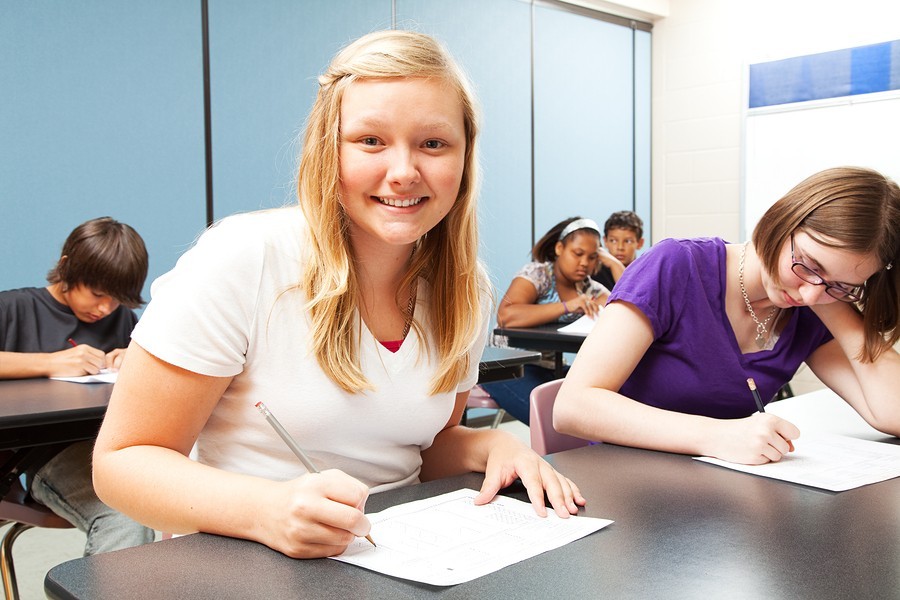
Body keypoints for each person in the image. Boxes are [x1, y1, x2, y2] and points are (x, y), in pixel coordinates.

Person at [92, 30, 585, 560]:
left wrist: (488, 444)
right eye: (371, 141)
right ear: (329, 148)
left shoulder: (464, 289)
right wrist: (266, 511)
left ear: (465, 159)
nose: (403, 172)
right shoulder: (243, 258)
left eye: (433, 143)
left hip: (397, 558)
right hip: (238, 562)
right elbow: (122, 462)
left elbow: (422, 449)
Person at [555, 166, 900, 465]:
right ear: (780, 220)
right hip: (626, 489)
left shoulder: (813, 306)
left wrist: (835, 302)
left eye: (841, 285)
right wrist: (717, 436)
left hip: (723, 497)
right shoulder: (676, 266)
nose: (808, 293)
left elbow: (892, 413)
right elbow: (573, 407)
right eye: (808, 264)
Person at [0, 216, 154, 555]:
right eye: (97, 293)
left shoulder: (122, 319)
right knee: (124, 514)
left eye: (116, 299)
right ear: (67, 267)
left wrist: (138, 360)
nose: (105, 308)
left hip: (112, 448)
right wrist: (49, 363)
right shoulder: (14, 308)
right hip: (41, 456)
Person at [481, 217, 610, 425]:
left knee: (600, 402)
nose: (585, 263)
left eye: (592, 257)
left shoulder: (590, 289)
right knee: (554, 422)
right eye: (578, 254)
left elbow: (620, 314)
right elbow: (507, 316)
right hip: (505, 365)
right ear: (559, 248)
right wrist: (568, 306)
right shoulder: (538, 274)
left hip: (551, 365)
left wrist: (612, 263)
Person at [592, 210, 645, 290]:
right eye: (613, 241)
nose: (620, 247)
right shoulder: (596, 273)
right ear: (605, 241)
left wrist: (615, 264)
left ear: (640, 243)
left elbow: (633, 297)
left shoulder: (646, 273)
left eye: (628, 241)